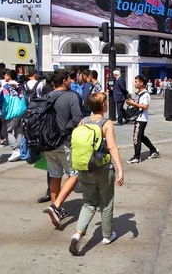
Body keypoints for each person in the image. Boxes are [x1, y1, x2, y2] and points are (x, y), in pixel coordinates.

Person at [69, 92, 125, 255]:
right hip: (102, 169)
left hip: (84, 168)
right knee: (106, 203)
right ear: (103, 106)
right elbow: (112, 147)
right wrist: (120, 170)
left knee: (88, 203)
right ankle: (107, 235)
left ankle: (77, 234)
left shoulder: (82, 121)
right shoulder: (106, 123)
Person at [44, 69, 84, 228]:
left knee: (55, 176)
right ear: (65, 80)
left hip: (47, 143)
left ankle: (56, 209)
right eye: (70, 79)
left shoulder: (47, 96)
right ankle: (56, 206)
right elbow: (77, 118)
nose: (72, 81)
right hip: (65, 142)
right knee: (75, 173)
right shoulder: (71, 96)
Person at [126, 75, 160, 164]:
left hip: (142, 119)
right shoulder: (138, 93)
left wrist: (133, 104)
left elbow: (145, 106)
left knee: (136, 137)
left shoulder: (146, 94)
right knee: (141, 136)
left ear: (142, 83)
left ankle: (137, 157)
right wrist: (130, 102)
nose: (135, 83)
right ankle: (153, 150)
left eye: (136, 82)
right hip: (138, 118)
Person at [1, 70, 25, 162]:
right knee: (19, 131)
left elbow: (5, 101)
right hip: (20, 110)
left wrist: (3, 113)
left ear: (9, 76)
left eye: (5, 75)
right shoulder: (20, 86)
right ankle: (20, 150)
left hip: (11, 112)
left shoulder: (6, 87)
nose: (4, 77)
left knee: (7, 131)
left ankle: (16, 150)